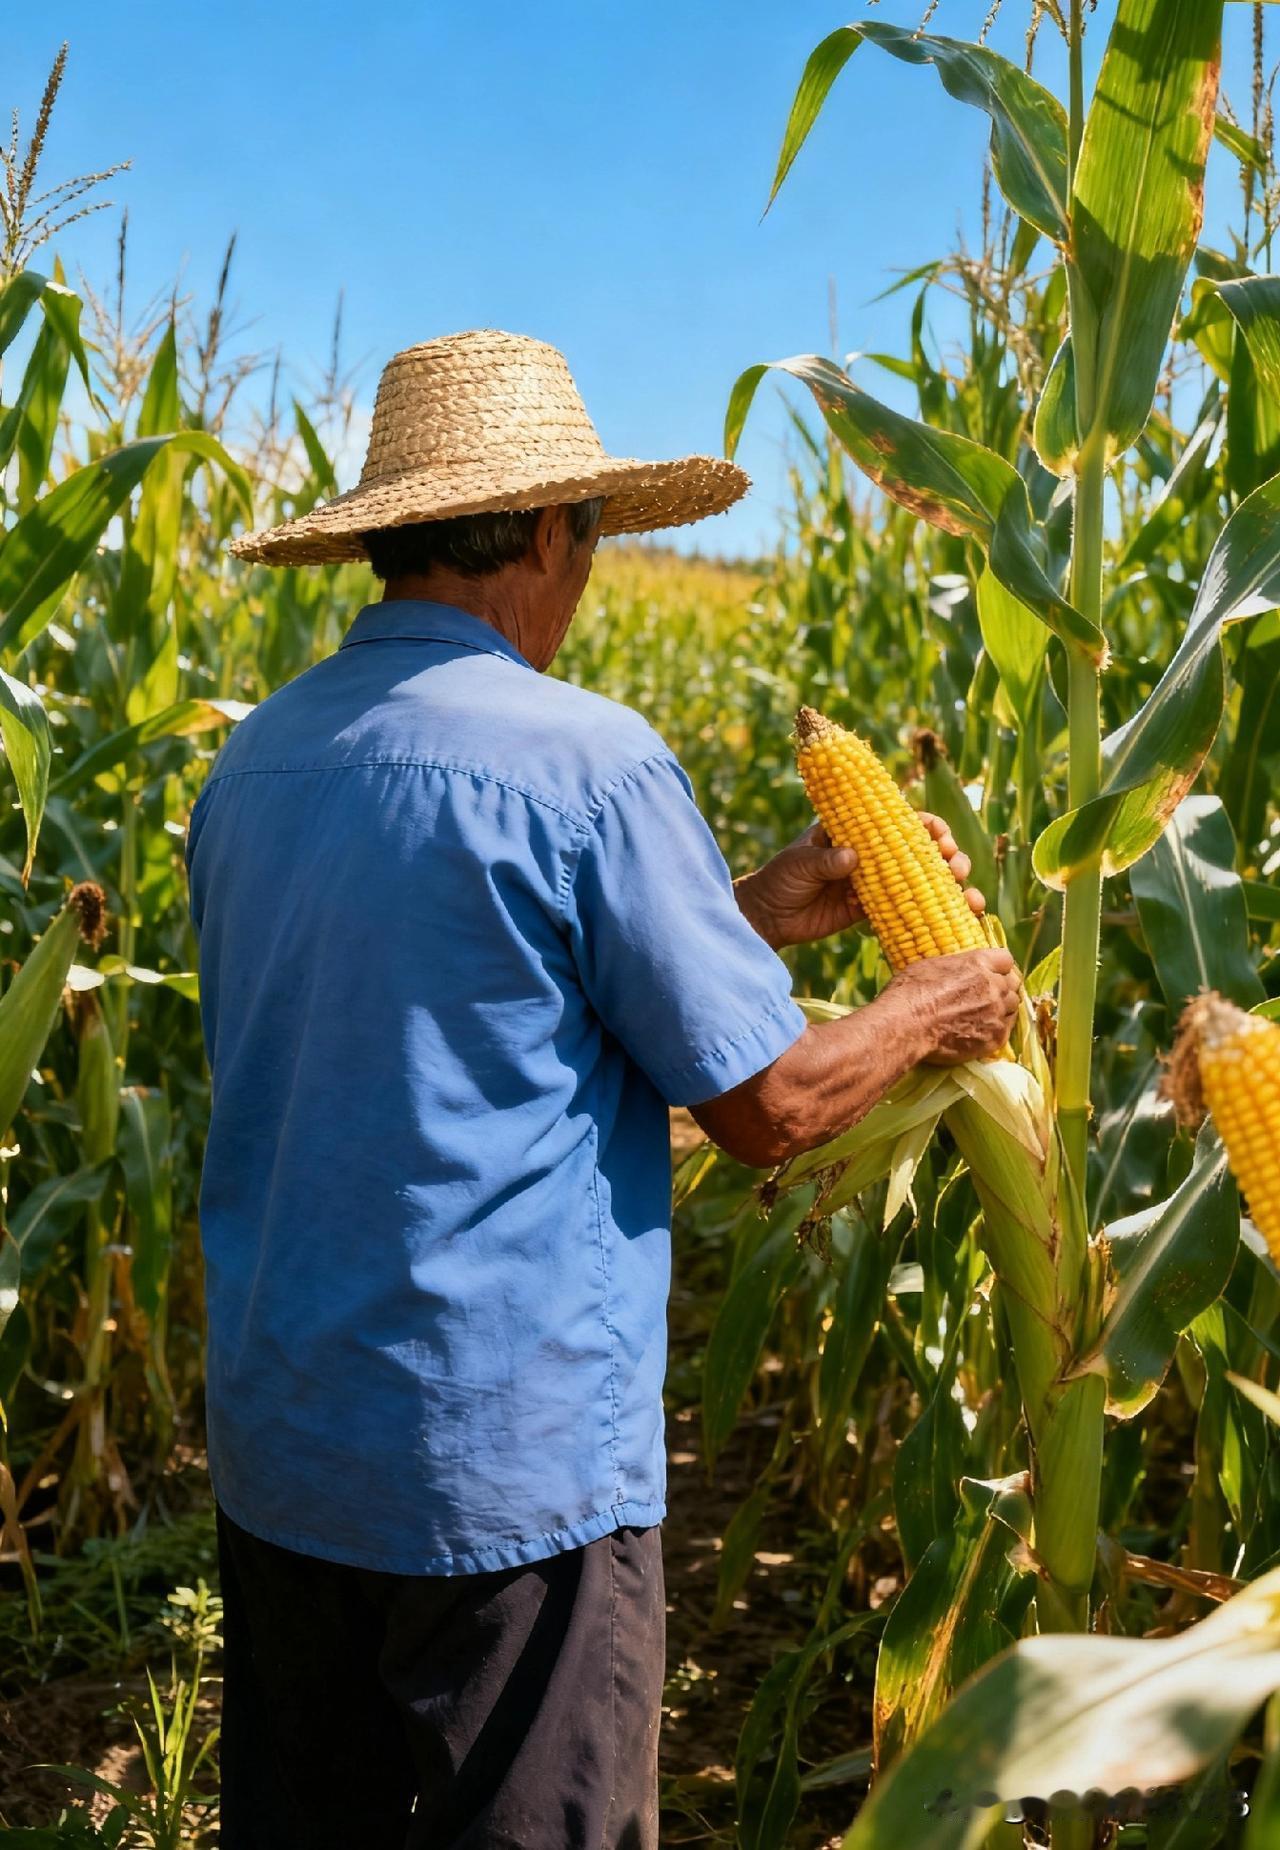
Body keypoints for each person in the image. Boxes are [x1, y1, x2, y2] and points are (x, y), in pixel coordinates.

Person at [186, 329, 1019, 1850]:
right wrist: (928, 1002)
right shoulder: (591, 763)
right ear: (555, 533)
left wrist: (742, 908)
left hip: (287, 1451)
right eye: (595, 544)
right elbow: (767, 1109)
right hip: (498, 1485)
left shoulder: (255, 767)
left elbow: (453, 977)